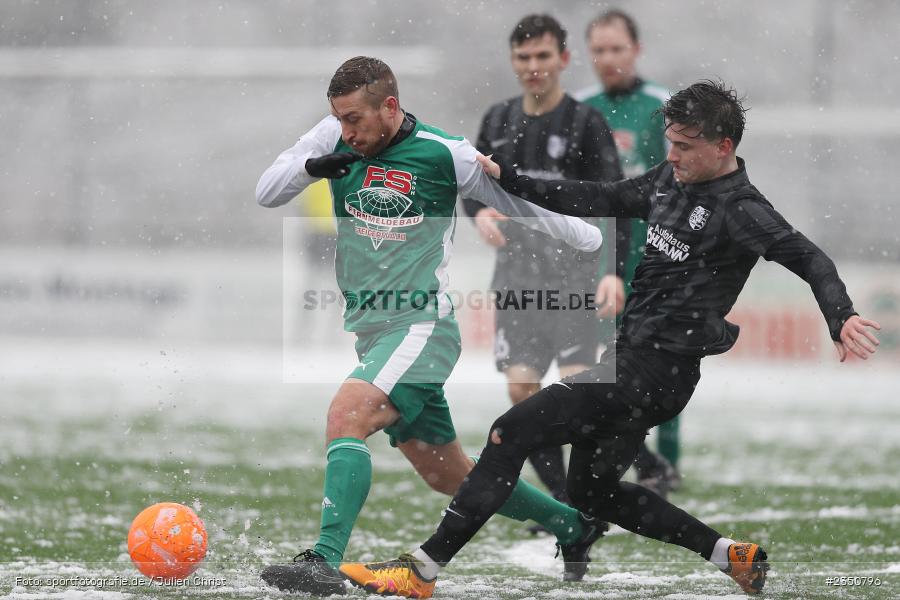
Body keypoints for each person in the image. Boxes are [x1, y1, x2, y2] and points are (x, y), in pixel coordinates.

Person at [339, 80, 881, 598]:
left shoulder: (742, 209)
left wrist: (840, 316)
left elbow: (810, 257)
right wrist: (511, 179)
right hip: (634, 365)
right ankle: (728, 555)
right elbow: (592, 194)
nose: (672, 156)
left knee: (509, 432)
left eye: (686, 147)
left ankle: (422, 569)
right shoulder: (670, 181)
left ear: (724, 146)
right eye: (670, 142)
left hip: (653, 373)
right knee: (590, 491)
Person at [255, 56, 607, 595]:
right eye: (341, 120)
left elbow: (514, 199)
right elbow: (267, 190)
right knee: (451, 476)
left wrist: (587, 237)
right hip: (374, 330)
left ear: (390, 107)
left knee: (346, 416)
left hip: (421, 325)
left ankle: (322, 560)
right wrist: (313, 167)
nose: (348, 131)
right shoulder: (335, 134)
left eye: (356, 120)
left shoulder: (447, 153)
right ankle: (573, 525)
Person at [461, 13, 621, 507]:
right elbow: (470, 185)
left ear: (563, 60)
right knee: (521, 393)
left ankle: (583, 496)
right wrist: (480, 212)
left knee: (575, 398)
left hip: (574, 282)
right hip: (516, 281)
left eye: (543, 56)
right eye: (524, 57)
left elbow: (615, 201)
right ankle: (565, 502)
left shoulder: (587, 123)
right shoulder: (497, 119)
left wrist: (612, 270)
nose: (534, 66)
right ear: (513, 62)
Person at [576, 8, 682, 495]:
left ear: (636, 50)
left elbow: (680, 181)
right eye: (599, 49)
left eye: (617, 48)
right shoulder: (580, 108)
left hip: (657, 246)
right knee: (608, 358)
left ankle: (669, 462)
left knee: (669, 352)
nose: (608, 58)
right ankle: (637, 459)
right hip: (601, 251)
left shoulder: (665, 106)